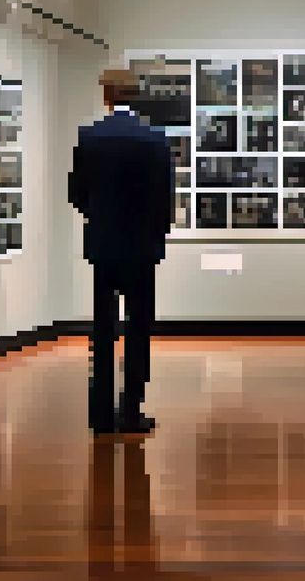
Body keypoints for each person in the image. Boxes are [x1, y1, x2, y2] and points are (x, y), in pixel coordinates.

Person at [68, 68, 175, 437]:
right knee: (138, 328)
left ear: (107, 97)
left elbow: (77, 195)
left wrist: (99, 220)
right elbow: (165, 200)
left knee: (102, 330)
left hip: (103, 246)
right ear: (137, 96)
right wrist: (153, 232)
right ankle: (131, 411)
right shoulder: (155, 140)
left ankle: (100, 414)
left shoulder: (90, 138)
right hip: (142, 248)